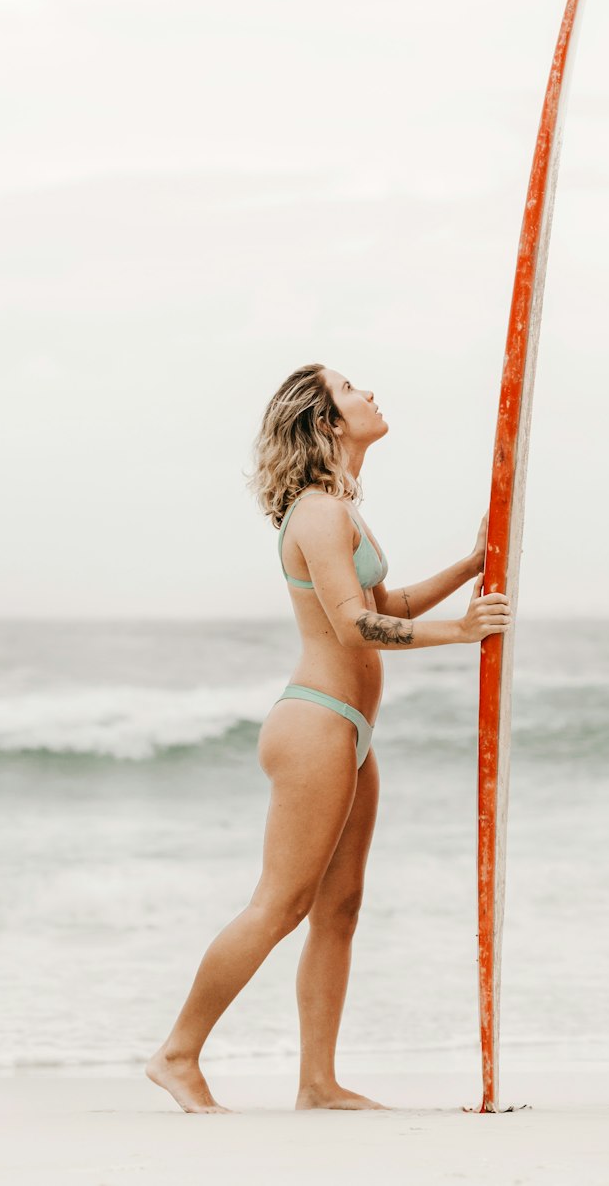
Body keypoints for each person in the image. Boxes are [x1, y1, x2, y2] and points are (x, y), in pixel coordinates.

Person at [146, 362, 511, 1113]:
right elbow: (355, 627)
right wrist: (463, 631)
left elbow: (389, 601)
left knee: (339, 908)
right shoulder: (317, 512)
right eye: (351, 389)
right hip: (314, 722)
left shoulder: (343, 510)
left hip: (350, 730)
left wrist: (471, 567)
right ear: (325, 423)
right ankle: (177, 1055)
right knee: (280, 905)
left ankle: (317, 1083)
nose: (370, 392)